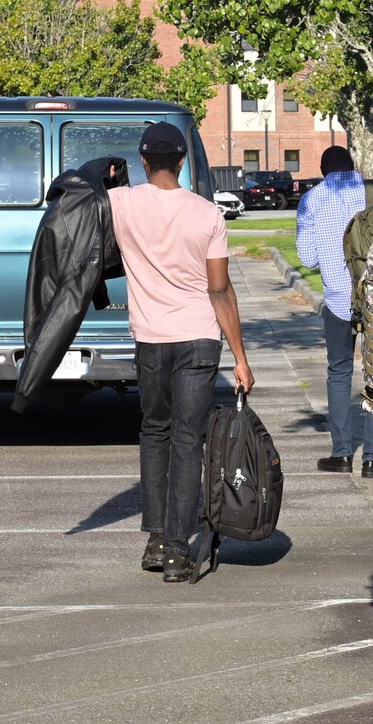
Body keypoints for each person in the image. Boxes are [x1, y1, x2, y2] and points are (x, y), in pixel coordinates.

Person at [108, 122, 254, 583]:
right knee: (189, 440)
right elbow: (219, 289)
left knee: (155, 433)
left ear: (145, 160)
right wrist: (241, 358)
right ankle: (176, 551)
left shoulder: (122, 203)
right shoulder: (207, 213)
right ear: (185, 162)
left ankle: (155, 538)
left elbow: (73, 190)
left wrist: (110, 176)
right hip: (198, 339)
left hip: (150, 339)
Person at [296, 147, 373, 479]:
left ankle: (341, 453)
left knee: (339, 372)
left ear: (323, 169)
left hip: (339, 302)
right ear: (354, 166)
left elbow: (308, 257)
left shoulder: (311, 200)